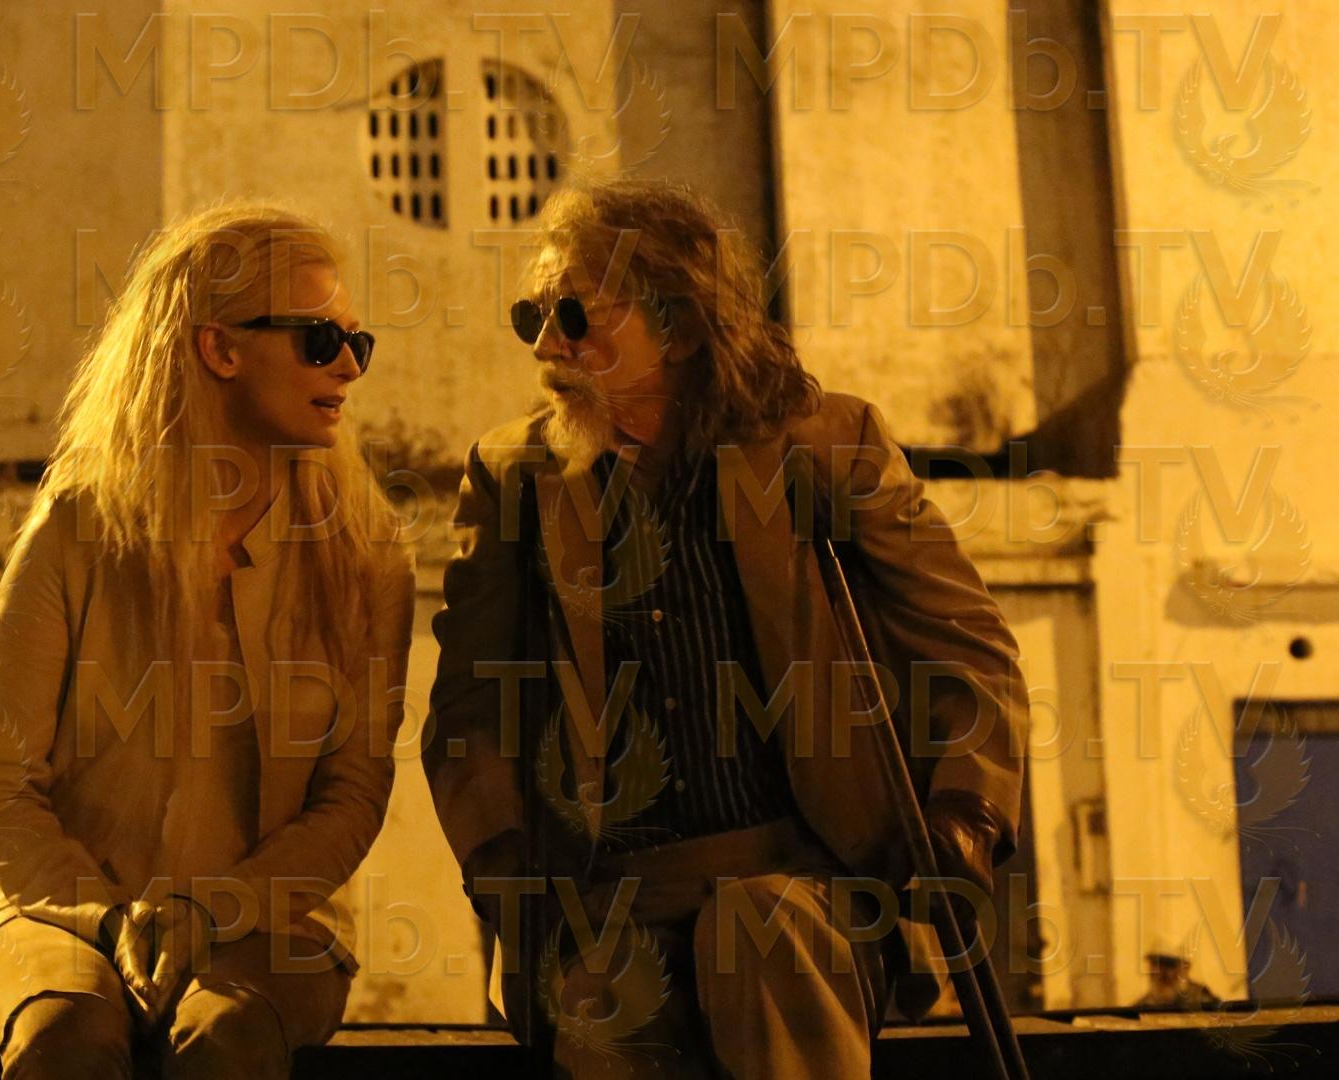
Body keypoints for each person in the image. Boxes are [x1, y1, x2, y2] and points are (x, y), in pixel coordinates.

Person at [423, 177, 1028, 1078]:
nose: (547, 344)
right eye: (531, 317)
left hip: (810, 877)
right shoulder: (515, 476)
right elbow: (469, 706)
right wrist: (503, 865)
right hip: (609, 895)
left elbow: (966, 647)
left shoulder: (825, 446)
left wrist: (966, 817)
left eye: (576, 316)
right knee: (602, 1002)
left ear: (678, 325)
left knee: (760, 930)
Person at [0, 203, 416, 1079]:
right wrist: (106, 919)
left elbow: (352, 796)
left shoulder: (366, 551)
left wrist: (214, 909)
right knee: (64, 1035)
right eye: (320, 340)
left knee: (225, 1040)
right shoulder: (78, 529)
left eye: (358, 342)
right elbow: (0, 788)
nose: (349, 367)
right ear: (219, 349)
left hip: (273, 922)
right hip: (54, 910)